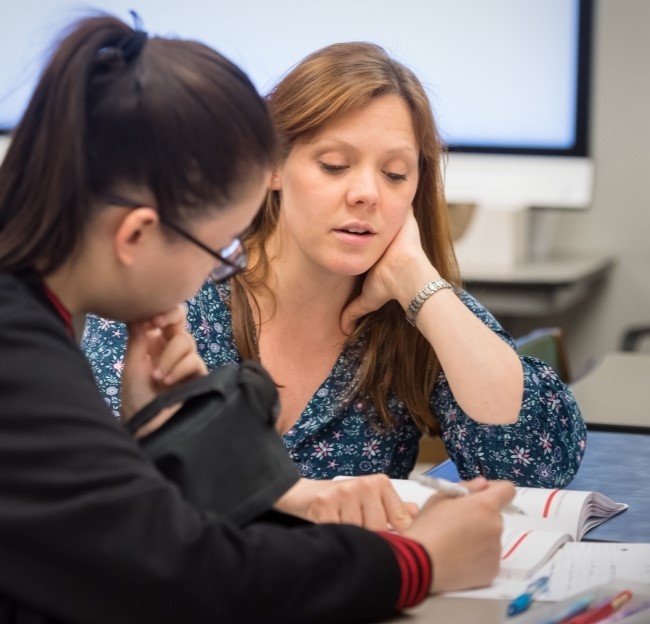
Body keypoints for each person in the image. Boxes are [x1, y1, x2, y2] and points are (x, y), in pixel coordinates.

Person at [0, 13, 517, 623]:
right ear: (136, 234)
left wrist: (145, 437)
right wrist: (418, 560)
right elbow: (184, 574)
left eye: (395, 173)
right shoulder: (19, 356)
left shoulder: (33, 318)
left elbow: (114, 530)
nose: (213, 275)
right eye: (217, 251)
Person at [83, 41, 587, 488]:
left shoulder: (412, 308)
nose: (366, 194)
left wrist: (420, 284)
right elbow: (102, 486)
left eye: (395, 174)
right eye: (334, 166)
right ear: (274, 166)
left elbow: (538, 466)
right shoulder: (177, 290)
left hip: (355, 590)